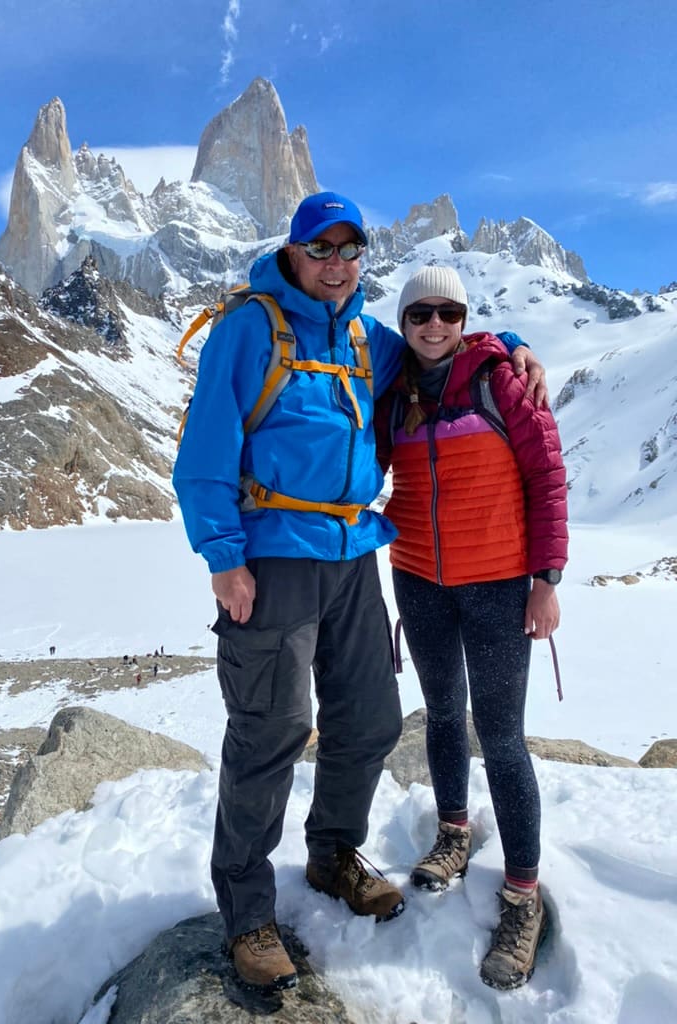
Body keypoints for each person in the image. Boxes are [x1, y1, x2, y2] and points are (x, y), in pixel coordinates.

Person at [173, 192, 546, 992]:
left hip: (350, 555)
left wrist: (508, 344)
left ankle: (332, 851)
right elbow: (203, 451)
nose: (336, 263)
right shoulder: (248, 328)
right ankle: (246, 911)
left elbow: (443, 351)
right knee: (271, 728)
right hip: (270, 558)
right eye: (321, 248)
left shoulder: (365, 339)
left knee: (372, 717)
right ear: (293, 253)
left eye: (350, 250)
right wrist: (222, 556)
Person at [376, 265, 568, 991]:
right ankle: (453, 832)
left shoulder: (502, 380)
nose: (433, 325)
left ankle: (524, 895)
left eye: (447, 312)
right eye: (419, 313)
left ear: (465, 318)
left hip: (496, 585)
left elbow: (548, 476)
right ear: (404, 322)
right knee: (442, 716)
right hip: (419, 579)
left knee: (504, 735)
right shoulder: (395, 394)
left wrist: (545, 581)